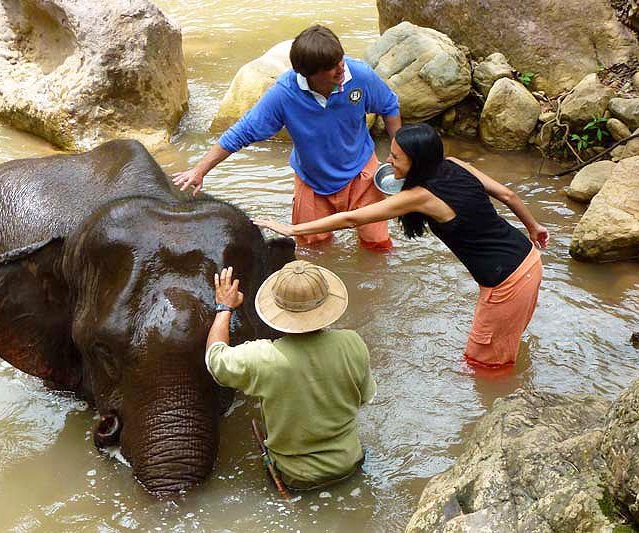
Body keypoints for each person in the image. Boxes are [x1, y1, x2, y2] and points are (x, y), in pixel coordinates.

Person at [255, 124, 549, 369]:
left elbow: (351, 219)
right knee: (504, 344)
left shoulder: (420, 196)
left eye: (396, 157)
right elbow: (508, 195)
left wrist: (292, 228)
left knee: (480, 364)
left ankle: (496, 414)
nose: (388, 159)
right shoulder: (454, 165)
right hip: (528, 259)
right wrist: (534, 227)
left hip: (506, 283)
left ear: (417, 161)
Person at [174, 24, 402, 251]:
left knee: (378, 246)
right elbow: (241, 132)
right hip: (313, 182)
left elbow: (389, 105)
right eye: (331, 66)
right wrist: (200, 170)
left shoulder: (359, 75)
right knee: (313, 251)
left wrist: (399, 155)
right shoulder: (284, 94)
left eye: (340, 60)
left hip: (362, 173)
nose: (341, 68)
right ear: (309, 73)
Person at [204, 262, 376, 490]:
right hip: (350, 464)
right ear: (327, 304)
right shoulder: (353, 342)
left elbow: (215, 359)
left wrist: (224, 308)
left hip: (296, 478)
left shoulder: (263, 357)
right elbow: (364, 398)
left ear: (277, 309)